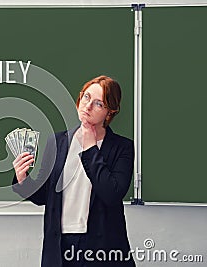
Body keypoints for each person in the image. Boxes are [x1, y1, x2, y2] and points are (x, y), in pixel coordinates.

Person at [12, 75, 136, 267]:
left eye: (98, 104)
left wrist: (90, 149)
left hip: (102, 247)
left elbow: (112, 193)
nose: (87, 106)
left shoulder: (122, 147)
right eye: (86, 97)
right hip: (60, 245)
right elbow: (45, 196)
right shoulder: (56, 142)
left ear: (109, 113)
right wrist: (23, 180)